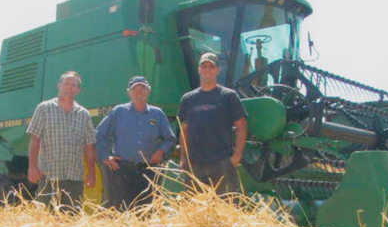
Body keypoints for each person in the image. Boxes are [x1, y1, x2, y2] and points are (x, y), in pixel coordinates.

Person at [96, 76, 176, 211]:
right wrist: (105, 156)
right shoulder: (119, 112)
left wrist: (160, 151)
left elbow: (170, 139)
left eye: (143, 89)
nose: (139, 92)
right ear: (129, 92)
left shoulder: (157, 114)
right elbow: (99, 134)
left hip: (149, 171)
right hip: (122, 171)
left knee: (146, 211)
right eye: (135, 89)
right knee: (121, 211)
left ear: (148, 91)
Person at [178, 52, 248, 195]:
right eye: (204, 66)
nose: (207, 70)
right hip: (195, 164)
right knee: (194, 209)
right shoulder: (188, 99)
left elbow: (242, 127)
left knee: (225, 209)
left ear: (218, 70)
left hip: (222, 164)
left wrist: (236, 157)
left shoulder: (228, 96)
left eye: (211, 67)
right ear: (199, 69)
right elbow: (183, 130)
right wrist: (183, 159)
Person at [27, 71, 96, 213]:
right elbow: (35, 140)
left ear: (78, 90)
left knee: (71, 220)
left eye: (73, 85)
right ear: (59, 85)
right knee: (46, 219)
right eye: (66, 83)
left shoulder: (84, 114)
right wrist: (32, 167)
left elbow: (89, 146)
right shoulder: (44, 108)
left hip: (74, 178)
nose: (69, 87)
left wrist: (91, 173)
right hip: (49, 175)